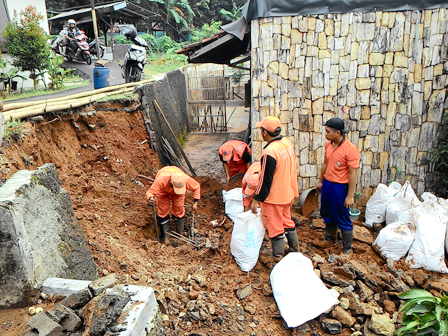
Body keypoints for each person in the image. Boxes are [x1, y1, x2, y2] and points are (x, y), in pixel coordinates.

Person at [251, 116, 299, 262]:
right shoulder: (286, 143)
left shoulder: (269, 152)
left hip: (274, 197)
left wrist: (256, 200)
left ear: (265, 132)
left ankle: (278, 257)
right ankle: (294, 251)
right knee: (287, 221)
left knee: (275, 226)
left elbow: (265, 180)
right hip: (288, 192)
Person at [316, 117, 360, 254]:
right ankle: (330, 238)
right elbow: (325, 164)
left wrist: (350, 196)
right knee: (327, 211)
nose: (326, 134)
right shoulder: (328, 145)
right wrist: (321, 181)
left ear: (338, 132)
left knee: (342, 215)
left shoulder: (350, 149)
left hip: (340, 187)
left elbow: (353, 174)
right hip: (328, 184)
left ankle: (347, 249)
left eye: (328, 131)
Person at [146, 166, 201, 243]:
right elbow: (150, 192)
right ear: (171, 183)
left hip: (179, 194)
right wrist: (150, 198)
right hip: (163, 191)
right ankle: (166, 237)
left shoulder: (185, 179)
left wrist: (195, 202)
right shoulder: (161, 180)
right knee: (163, 209)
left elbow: (197, 186)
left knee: (179, 207)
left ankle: (180, 234)